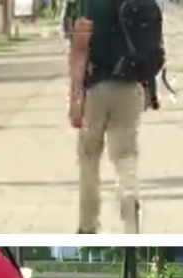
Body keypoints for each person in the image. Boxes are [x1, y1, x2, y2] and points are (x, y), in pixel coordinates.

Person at [68, 0, 163, 234]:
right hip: (131, 90)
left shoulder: (89, 5)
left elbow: (81, 49)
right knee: (125, 157)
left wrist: (75, 97)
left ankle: (88, 224)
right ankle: (130, 219)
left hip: (95, 91)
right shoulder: (143, 3)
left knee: (89, 157)